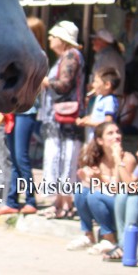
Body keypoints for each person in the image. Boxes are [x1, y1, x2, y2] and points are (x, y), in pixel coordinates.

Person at [0, 16, 46, 216]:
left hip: (26, 110)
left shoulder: (37, 56)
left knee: (21, 156)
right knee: (14, 156)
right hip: (14, 110)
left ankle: (30, 199)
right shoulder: (22, 55)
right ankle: (12, 200)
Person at [39, 21, 86, 220]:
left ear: (62, 39)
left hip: (66, 118)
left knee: (65, 159)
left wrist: (44, 81)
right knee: (58, 159)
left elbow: (64, 85)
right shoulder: (65, 57)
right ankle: (59, 202)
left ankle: (66, 203)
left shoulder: (71, 56)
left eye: (53, 36)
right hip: (58, 118)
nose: (50, 39)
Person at [67, 122, 137, 253]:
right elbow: (100, 186)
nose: (117, 136)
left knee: (94, 196)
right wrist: (88, 178)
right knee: (81, 191)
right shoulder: (98, 159)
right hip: (108, 201)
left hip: (123, 206)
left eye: (118, 132)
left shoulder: (127, 158)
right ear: (100, 140)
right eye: (110, 133)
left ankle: (109, 239)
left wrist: (116, 159)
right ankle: (88, 236)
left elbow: (117, 188)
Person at [76, 66, 120, 141]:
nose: (93, 85)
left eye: (96, 82)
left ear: (107, 85)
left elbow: (107, 123)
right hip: (92, 137)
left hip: (101, 140)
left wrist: (90, 123)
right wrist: (85, 119)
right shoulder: (99, 98)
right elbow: (96, 115)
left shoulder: (109, 101)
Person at [90, 28, 125, 95]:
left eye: (95, 39)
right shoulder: (112, 55)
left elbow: (101, 80)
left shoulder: (106, 57)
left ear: (103, 42)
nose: (93, 42)